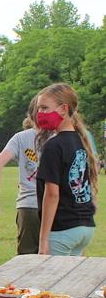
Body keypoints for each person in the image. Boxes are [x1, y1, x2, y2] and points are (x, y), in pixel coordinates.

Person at [35, 83, 98, 256]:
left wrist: (43, 239)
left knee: (52, 282)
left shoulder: (53, 146)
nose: (40, 113)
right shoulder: (81, 141)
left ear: (64, 109)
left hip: (63, 228)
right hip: (85, 227)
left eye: (45, 107)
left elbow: (52, 194)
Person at [0, 95, 46, 254]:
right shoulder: (60, 136)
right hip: (56, 205)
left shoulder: (20, 137)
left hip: (28, 206)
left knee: (26, 259)